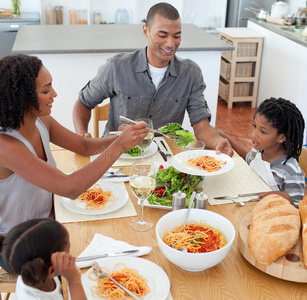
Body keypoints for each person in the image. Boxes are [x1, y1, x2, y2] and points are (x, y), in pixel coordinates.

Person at [0, 54, 148, 235]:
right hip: (19, 243)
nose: (54, 94)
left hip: (50, 223)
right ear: (22, 98)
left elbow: (84, 146)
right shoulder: (5, 146)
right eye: (46, 91)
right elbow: (70, 188)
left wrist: (121, 138)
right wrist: (120, 147)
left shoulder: (42, 121)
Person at [73, 2, 233, 157]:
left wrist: (218, 141)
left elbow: (202, 127)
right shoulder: (118, 67)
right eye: (162, 35)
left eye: (177, 36)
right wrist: (82, 135)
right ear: (145, 31)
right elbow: (83, 103)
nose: (170, 44)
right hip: (118, 155)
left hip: (164, 156)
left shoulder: (190, 74)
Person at [220, 97, 305, 207]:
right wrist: (225, 137)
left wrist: (287, 199)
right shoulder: (258, 151)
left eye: (263, 131)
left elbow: (299, 211)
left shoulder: (291, 172)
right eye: (255, 126)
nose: (254, 134)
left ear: (281, 138)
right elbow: (248, 159)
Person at [0, 218, 86, 300]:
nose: (70, 256)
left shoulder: (32, 269)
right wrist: (74, 280)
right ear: (51, 270)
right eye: (68, 254)